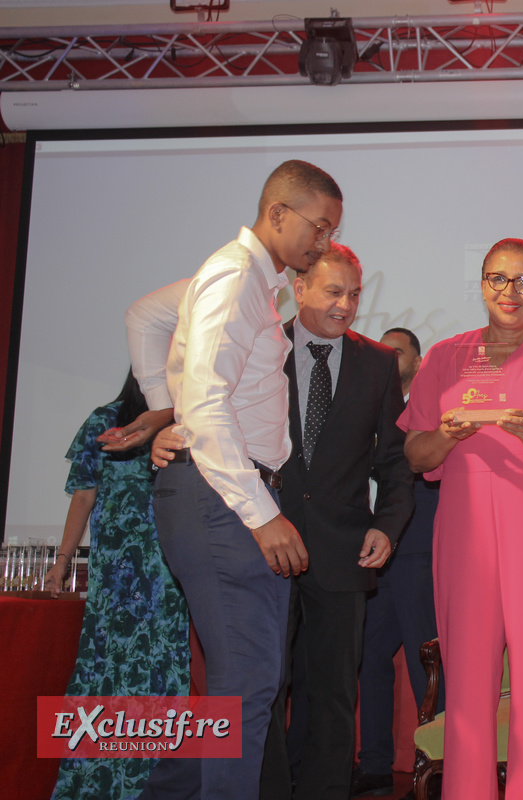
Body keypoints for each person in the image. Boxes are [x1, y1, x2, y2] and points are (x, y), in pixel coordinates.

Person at [130, 159, 343, 800]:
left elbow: (163, 335)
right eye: (320, 227)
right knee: (246, 685)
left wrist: (166, 416)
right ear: (278, 214)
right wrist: (261, 512)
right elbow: (205, 400)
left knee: (246, 687)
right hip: (223, 499)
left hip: (231, 493)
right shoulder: (232, 274)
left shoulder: (255, 279)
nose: (325, 244)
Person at [400, 238, 523, 800]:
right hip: (466, 536)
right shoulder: (445, 356)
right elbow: (415, 456)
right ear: (482, 283)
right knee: (467, 687)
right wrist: (444, 435)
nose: (509, 292)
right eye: (497, 279)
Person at [254, 243, 414, 800]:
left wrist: (386, 527)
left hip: (345, 549)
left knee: (333, 693)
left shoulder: (376, 363)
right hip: (266, 542)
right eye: (332, 292)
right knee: (265, 689)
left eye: (353, 294)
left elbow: (395, 461)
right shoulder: (261, 348)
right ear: (298, 290)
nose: (345, 305)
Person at [45, 369, 189, 800]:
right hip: (116, 571)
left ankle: (157, 782)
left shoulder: (187, 425)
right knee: (107, 665)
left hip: (171, 569)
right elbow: (84, 494)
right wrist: (63, 562)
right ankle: (97, 780)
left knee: (163, 666)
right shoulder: (102, 420)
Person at [354, 327, 442, 799]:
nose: (388, 357)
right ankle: (373, 766)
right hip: (370, 554)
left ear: (418, 360)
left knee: (422, 661)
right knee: (368, 656)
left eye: (398, 351)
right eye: (382, 349)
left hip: (415, 550)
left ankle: (435, 768)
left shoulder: (430, 404)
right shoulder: (366, 403)